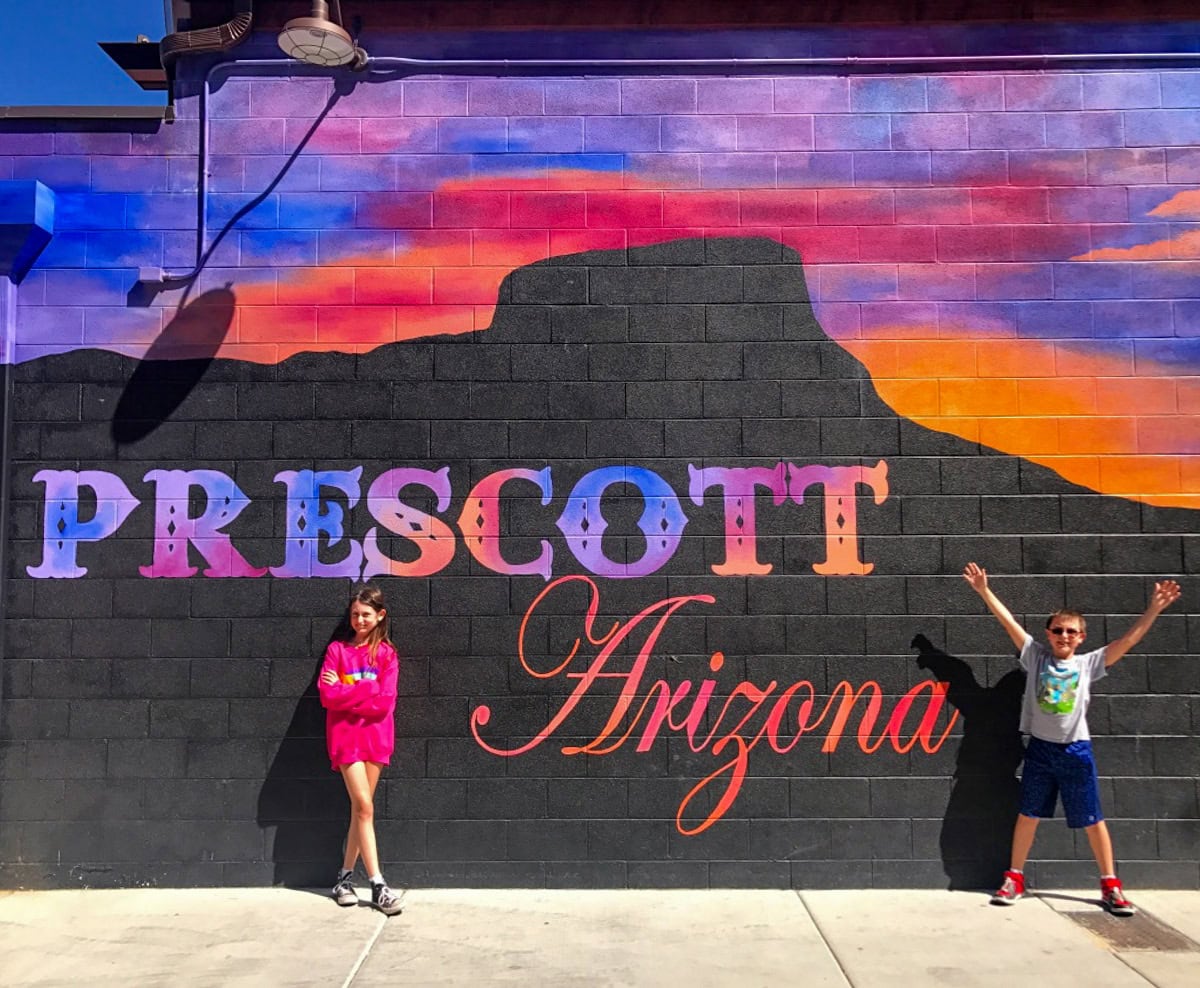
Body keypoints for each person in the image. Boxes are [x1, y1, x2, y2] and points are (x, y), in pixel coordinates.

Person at [962, 562, 1181, 916]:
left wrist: (1153, 608)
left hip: (1076, 752)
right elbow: (1009, 623)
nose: (1064, 635)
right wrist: (984, 591)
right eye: (1058, 630)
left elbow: (1128, 641)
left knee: (1092, 820)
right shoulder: (1035, 657)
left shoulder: (1088, 664)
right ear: (1048, 634)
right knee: (1028, 815)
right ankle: (1014, 878)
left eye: (1071, 631)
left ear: (1081, 637)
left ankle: (1111, 886)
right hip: (1040, 751)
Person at [318, 585, 403, 916]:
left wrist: (347, 689)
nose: (359, 620)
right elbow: (327, 696)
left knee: (360, 810)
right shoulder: (337, 651)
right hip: (345, 739)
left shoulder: (387, 655)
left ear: (380, 616)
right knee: (365, 806)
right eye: (355, 614)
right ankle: (378, 885)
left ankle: (343, 879)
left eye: (366, 614)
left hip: (376, 738)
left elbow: (385, 702)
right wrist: (368, 688)